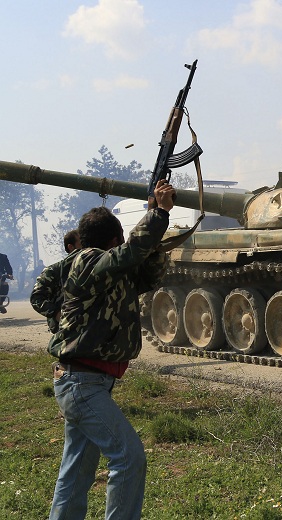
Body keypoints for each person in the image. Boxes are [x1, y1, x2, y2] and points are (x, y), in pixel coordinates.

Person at [46, 180, 175, 520]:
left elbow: (146, 277)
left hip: (86, 382)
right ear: (115, 240)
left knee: (77, 472)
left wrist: (154, 242)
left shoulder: (110, 272)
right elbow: (130, 254)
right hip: (81, 383)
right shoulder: (88, 261)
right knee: (128, 458)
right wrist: (159, 214)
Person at [30, 230, 81, 333]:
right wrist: (57, 313)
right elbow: (36, 298)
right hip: (64, 331)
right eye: (82, 243)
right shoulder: (54, 271)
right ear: (71, 247)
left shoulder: (93, 268)